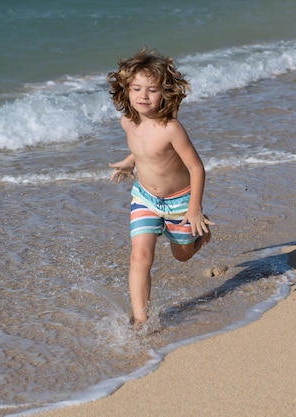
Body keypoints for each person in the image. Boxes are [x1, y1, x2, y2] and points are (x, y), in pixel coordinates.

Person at [107, 47, 213, 326]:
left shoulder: (171, 128)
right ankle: (142, 320)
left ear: (164, 93)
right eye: (136, 88)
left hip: (180, 202)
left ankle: (202, 237)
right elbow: (145, 150)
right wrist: (131, 161)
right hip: (144, 198)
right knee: (140, 255)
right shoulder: (127, 122)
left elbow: (196, 167)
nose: (143, 96)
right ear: (125, 90)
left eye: (151, 90)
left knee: (182, 256)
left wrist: (195, 209)